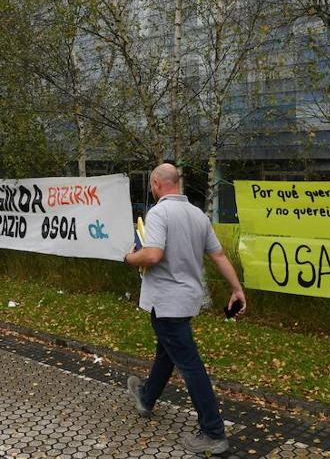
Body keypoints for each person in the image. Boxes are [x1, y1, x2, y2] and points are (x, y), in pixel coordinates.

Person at [124, 163, 246, 456]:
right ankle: (146, 397)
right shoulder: (198, 215)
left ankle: (214, 433)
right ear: (177, 183)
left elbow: (153, 254)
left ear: (156, 184)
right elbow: (218, 255)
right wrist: (237, 289)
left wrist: (129, 257)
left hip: (166, 302)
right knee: (167, 352)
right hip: (187, 300)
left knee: (190, 366)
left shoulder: (158, 213)